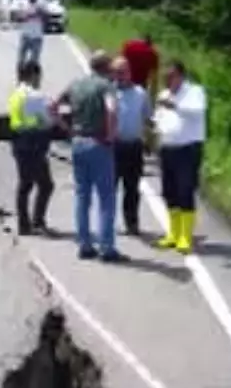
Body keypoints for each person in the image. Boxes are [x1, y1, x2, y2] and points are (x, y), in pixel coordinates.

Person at [48, 50, 128, 263]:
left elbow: (52, 107)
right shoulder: (105, 87)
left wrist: (68, 129)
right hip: (98, 143)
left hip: (78, 142)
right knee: (106, 199)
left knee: (82, 197)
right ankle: (107, 247)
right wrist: (110, 136)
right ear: (106, 68)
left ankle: (84, 244)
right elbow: (111, 110)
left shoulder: (76, 84)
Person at [152, 60, 207, 255]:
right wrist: (155, 129)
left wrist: (174, 105)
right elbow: (159, 118)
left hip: (188, 148)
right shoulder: (163, 95)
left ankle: (185, 236)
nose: (167, 80)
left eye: (171, 76)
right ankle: (173, 233)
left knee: (186, 190)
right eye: (165, 77)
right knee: (169, 191)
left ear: (181, 76)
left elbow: (196, 112)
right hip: (168, 147)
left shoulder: (194, 92)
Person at [7, 60, 54, 236]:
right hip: (34, 143)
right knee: (46, 184)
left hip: (18, 141)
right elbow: (46, 121)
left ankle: (23, 224)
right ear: (34, 75)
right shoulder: (35, 96)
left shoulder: (15, 95)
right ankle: (37, 220)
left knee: (25, 184)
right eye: (39, 76)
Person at [110, 56, 152, 236]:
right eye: (117, 72)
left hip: (134, 146)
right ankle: (107, 222)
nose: (120, 76)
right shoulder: (108, 92)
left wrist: (149, 141)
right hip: (113, 147)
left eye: (123, 72)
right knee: (109, 187)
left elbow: (148, 118)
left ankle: (132, 222)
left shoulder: (140, 93)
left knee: (132, 188)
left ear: (129, 73)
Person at [121, 33, 160, 153]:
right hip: (141, 86)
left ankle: (122, 136)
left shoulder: (129, 46)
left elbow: (121, 63)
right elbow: (154, 77)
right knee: (145, 115)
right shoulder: (152, 53)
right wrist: (153, 95)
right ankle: (147, 143)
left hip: (125, 83)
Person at [15, 0, 45, 71]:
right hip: (25, 36)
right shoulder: (23, 4)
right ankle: (20, 78)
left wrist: (40, 14)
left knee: (33, 62)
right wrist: (24, 17)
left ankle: (34, 79)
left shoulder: (41, 4)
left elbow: (45, 17)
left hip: (37, 37)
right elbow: (18, 17)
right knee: (20, 61)